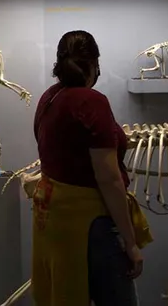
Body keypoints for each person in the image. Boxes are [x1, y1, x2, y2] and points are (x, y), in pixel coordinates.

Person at [31, 30, 144, 306]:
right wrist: (131, 242)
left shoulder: (49, 97)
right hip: (91, 225)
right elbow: (109, 178)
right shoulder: (92, 102)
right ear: (95, 64)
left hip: (54, 222)